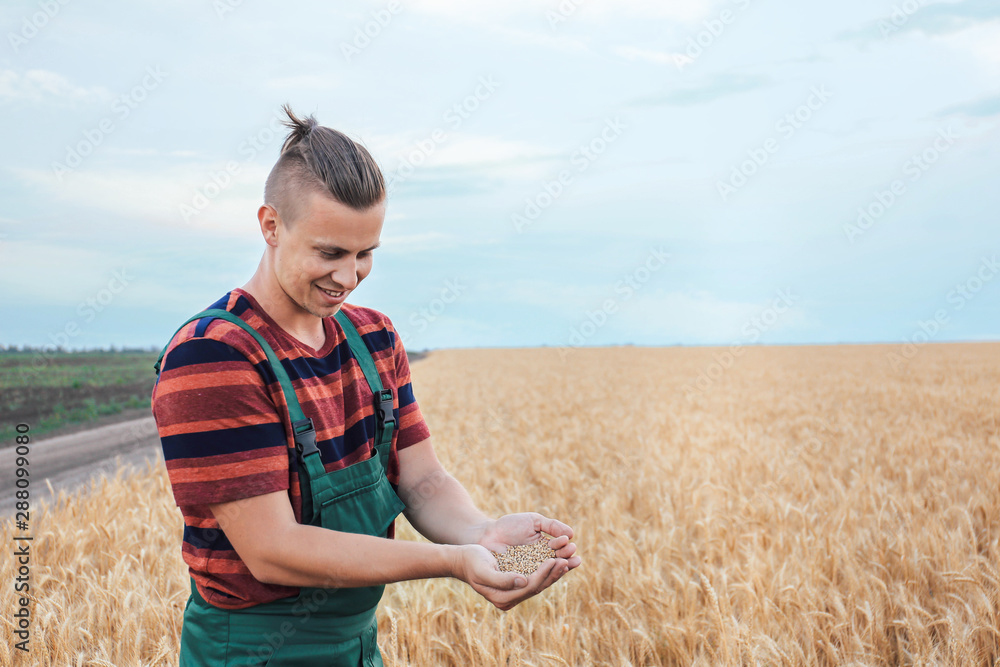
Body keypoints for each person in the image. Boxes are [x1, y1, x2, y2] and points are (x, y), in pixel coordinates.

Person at [151, 105, 581, 666]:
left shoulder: (374, 337)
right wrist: (454, 561)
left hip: (358, 646)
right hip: (252, 652)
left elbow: (421, 476)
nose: (348, 277)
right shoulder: (214, 356)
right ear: (271, 225)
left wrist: (481, 532)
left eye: (365, 253)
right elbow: (273, 551)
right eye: (329, 253)